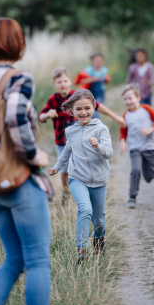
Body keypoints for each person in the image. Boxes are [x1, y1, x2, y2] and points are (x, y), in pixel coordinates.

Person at [0, 17, 51, 305]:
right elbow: (15, 116)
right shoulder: (19, 78)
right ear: (18, 44)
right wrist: (34, 156)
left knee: (14, 259)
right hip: (19, 180)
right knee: (38, 261)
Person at [39, 67, 125, 206]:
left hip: (82, 140)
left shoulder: (77, 96)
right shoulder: (54, 100)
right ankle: (66, 192)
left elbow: (98, 106)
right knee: (65, 168)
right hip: (62, 141)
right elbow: (41, 116)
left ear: (70, 81)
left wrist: (115, 117)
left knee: (82, 163)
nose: (62, 84)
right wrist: (47, 114)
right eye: (59, 82)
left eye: (65, 81)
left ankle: (86, 190)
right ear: (54, 84)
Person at [48, 89, 113, 261]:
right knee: (85, 209)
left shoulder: (101, 129)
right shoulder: (70, 131)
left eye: (87, 108)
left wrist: (98, 146)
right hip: (77, 178)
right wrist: (57, 167)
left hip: (99, 180)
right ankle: (81, 250)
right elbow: (67, 152)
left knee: (98, 220)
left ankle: (99, 241)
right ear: (71, 111)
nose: (83, 112)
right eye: (78, 109)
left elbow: (109, 153)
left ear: (93, 108)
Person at [119, 83, 154, 208]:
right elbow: (123, 132)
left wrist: (151, 129)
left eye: (130, 98)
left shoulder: (147, 109)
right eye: (125, 99)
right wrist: (123, 143)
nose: (127, 101)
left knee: (149, 176)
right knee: (136, 170)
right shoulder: (125, 116)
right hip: (134, 147)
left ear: (138, 97)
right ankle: (132, 197)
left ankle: (149, 175)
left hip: (149, 147)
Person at [74, 53, 111, 117]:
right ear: (92, 62)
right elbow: (81, 81)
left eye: (100, 61)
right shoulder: (89, 70)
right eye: (96, 61)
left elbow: (108, 79)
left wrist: (107, 79)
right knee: (90, 108)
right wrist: (93, 79)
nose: (98, 62)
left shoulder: (103, 70)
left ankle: (95, 123)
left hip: (100, 92)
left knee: (97, 108)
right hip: (90, 92)